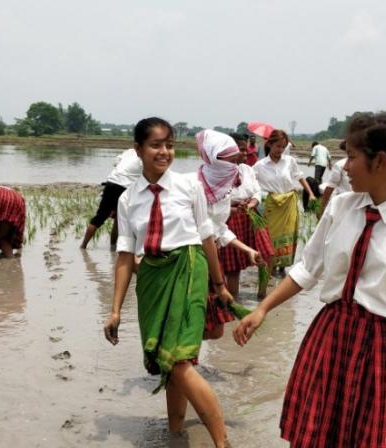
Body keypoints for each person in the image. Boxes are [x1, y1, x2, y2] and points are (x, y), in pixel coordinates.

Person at [233, 114, 386, 446]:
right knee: (317, 437)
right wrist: (262, 309)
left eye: (352, 157)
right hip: (330, 336)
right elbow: (307, 269)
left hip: (382, 348)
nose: (344, 166)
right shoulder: (341, 207)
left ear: (380, 162)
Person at [103, 118, 229, 447]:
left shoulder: (191, 186)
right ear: (138, 150)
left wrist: (220, 285)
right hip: (152, 280)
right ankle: (176, 434)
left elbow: (207, 239)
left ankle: (222, 443)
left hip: (189, 272)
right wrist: (115, 310)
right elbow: (126, 257)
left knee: (180, 361)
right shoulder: (128, 199)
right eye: (156, 145)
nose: (164, 152)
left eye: (169, 145)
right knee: (168, 363)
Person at [194, 129, 262, 339]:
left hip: (211, 257)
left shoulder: (223, 188)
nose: (235, 166)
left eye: (236, 160)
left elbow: (219, 229)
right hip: (192, 259)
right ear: (214, 159)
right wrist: (219, 285)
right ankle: (179, 362)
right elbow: (206, 235)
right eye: (230, 161)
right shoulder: (194, 187)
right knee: (200, 320)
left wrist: (248, 249)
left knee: (214, 329)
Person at [219, 133, 274, 298]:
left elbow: (257, 191)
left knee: (267, 254)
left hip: (251, 214)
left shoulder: (247, 169)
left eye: (245, 149)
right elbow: (215, 202)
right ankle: (232, 301)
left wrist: (251, 204)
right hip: (230, 217)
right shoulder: (219, 173)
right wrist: (234, 207)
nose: (245, 153)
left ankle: (262, 294)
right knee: (232, 266)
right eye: (241, 150)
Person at [253, 130, 315, 277]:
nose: (280, 150)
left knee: (289, 234)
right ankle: (271, 266)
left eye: (283, 146)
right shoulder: (259, 166)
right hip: (271, 205)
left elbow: (300, 177)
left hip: (289, 203)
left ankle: (283, 267)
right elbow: (250, 184)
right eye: (277, 146)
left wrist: (311, 194)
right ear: (269, 144)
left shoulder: (289, 161)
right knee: (272, 236)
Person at [80, 147, 142, 249]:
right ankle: (113, 248)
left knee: (100, 217)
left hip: (111, 183)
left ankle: (83, 246)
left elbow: (115, 162)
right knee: (119, 220)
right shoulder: (145, 157)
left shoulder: (130, 151)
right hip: (124, 188)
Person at [320, 140, 351, 211]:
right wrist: (321, 208)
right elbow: (330, 186)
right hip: (343, 205)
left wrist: (321, 208)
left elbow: (330, 187)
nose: (347, 167)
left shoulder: (340, 164)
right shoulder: (340, 165)